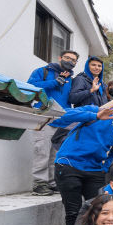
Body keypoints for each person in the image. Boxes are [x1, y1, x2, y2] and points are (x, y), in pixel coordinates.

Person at [52, 91, 113, 225]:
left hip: (95, 171)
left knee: (97, 210)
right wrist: (95, 116)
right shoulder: (93, 110)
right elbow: (61, 117)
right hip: (69, 165)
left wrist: (104, 168)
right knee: (73, 211)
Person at [28, 50, 78, 195]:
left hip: (60, 119)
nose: (70, 61)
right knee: (41, 150)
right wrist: (54, 82)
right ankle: (39, 183)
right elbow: (31, 86)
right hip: (43, 115)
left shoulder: (71, 79)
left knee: (54, 153)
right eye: (67, 58)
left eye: (73, 60)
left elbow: (69, 100)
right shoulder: (43, 71)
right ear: (60, 58)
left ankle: (51, 182)